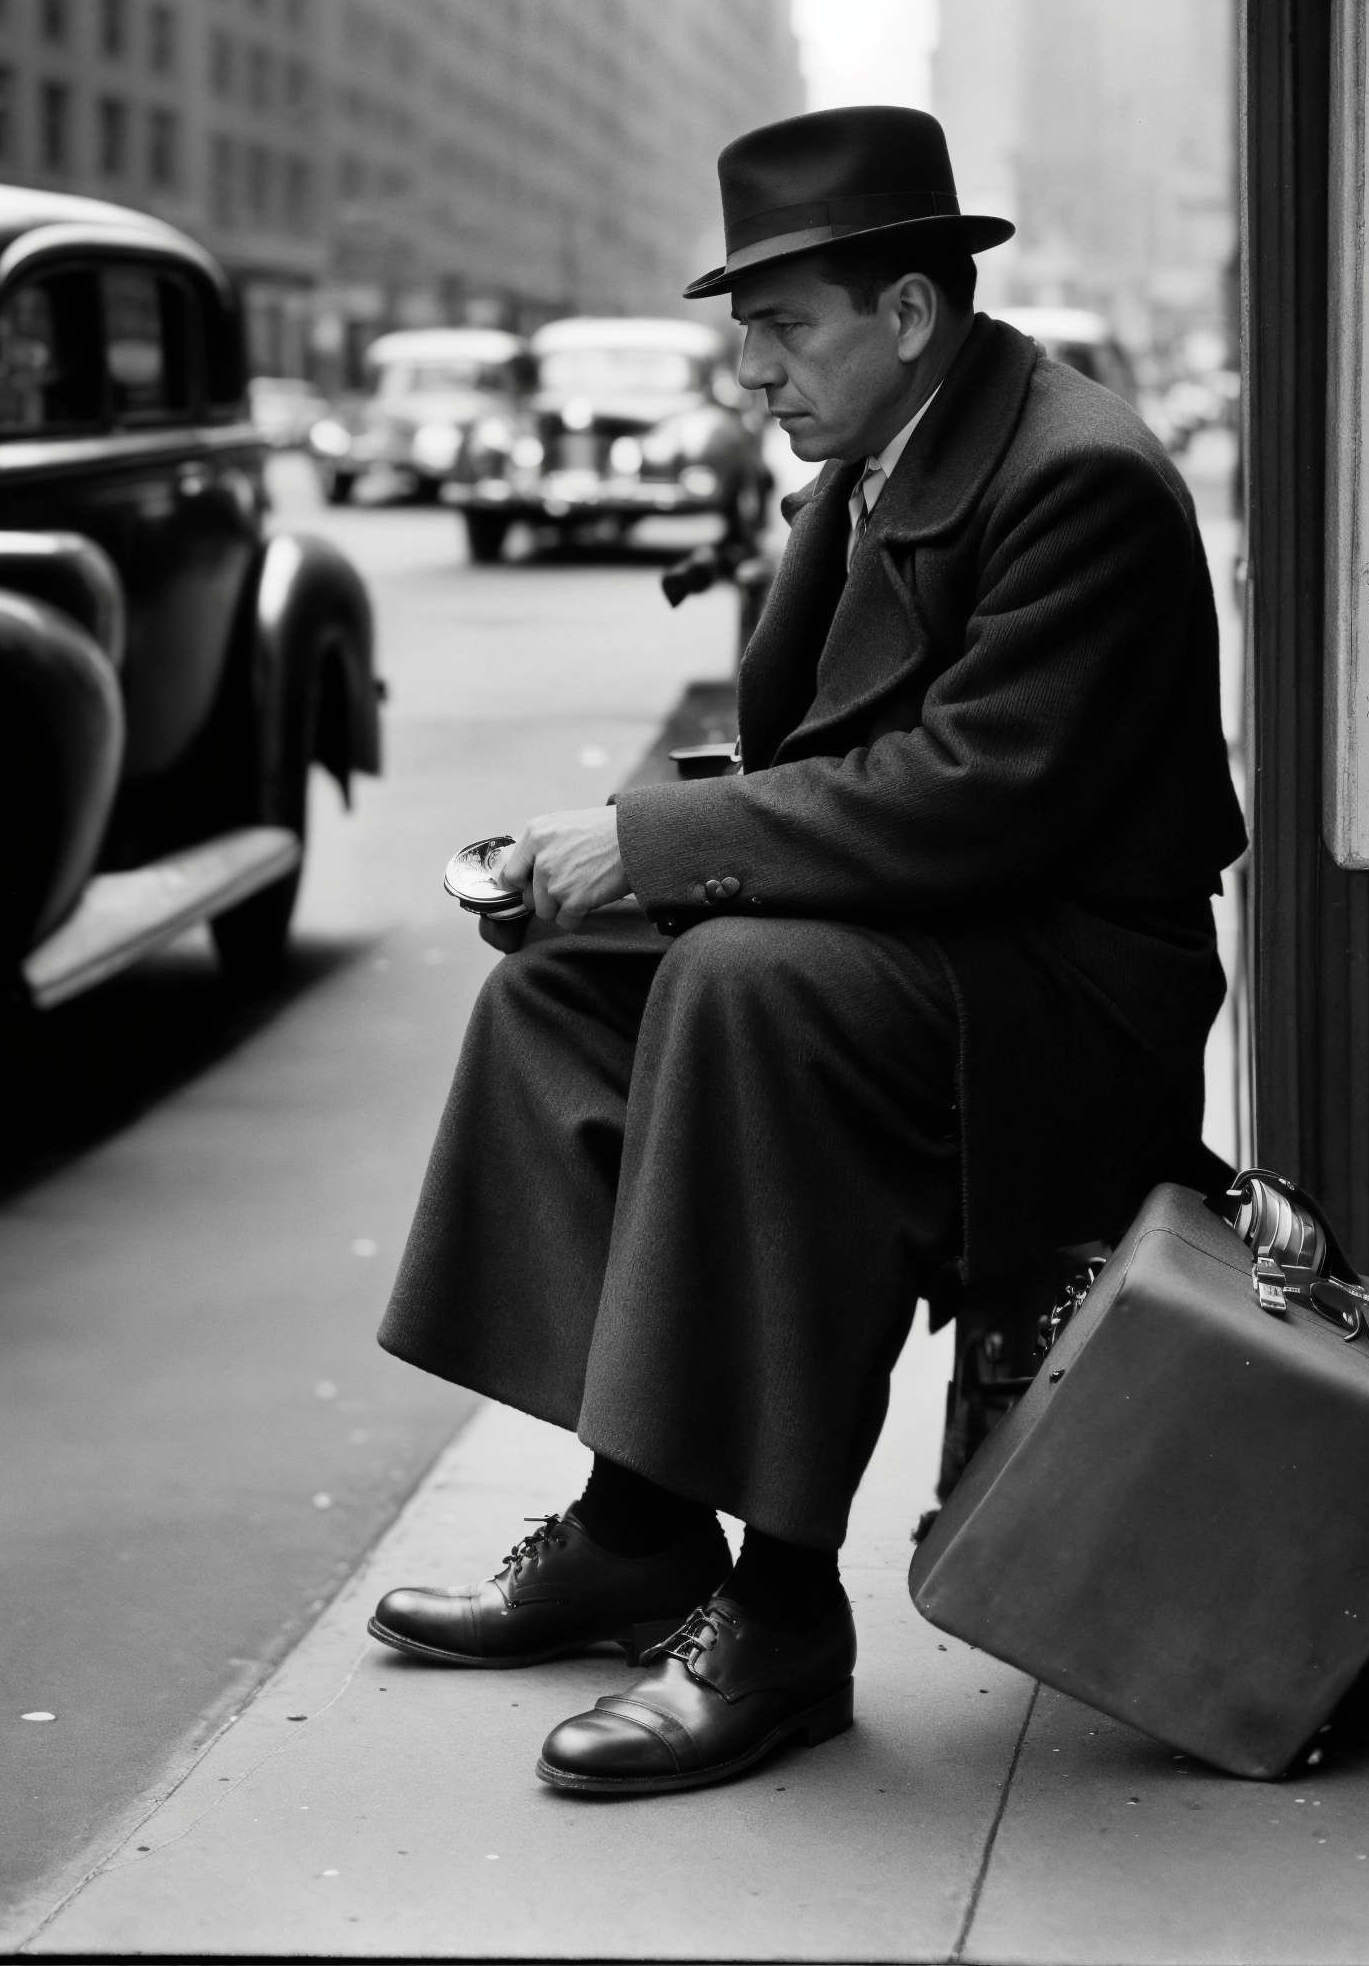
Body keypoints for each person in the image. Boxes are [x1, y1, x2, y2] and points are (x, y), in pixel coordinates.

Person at [372, 105, 1246, 1797]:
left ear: (909, 312)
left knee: (745, 990)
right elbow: (832, 760)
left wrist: (649, 849)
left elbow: (973, 797)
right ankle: (640, 1526)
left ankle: (781, 1615)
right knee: (559, 1001)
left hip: (1066, 997)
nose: (752, 369)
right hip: (935, 936)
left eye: (783, 326)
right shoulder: (879, 455)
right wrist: (615, 867)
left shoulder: (1079, 476)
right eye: (744, 329)